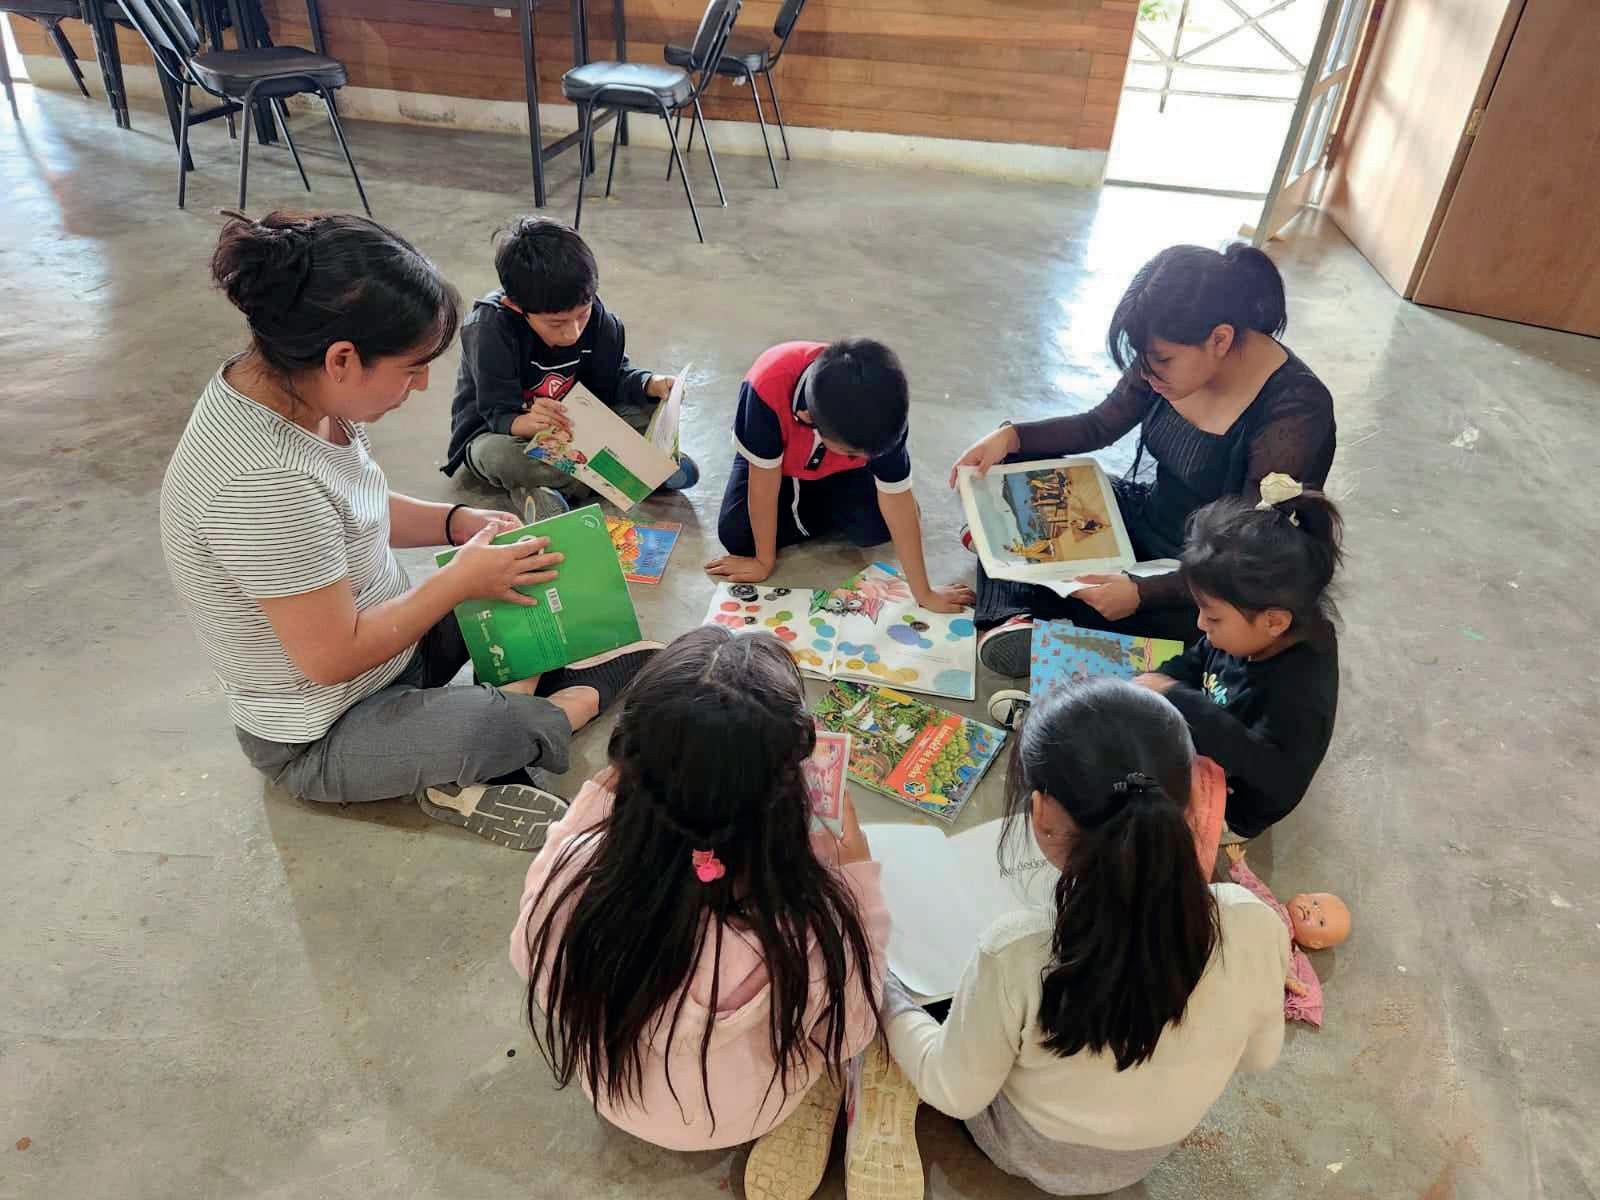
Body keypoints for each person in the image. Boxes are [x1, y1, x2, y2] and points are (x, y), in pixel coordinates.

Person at [160, 211, 654, 850]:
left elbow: (356, 501)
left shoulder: (300, 391)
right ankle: (558, 706)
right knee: (502, 723)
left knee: (525, 568)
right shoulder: (260, 483)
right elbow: (330, 659)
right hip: (325, 729)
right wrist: (457, 585)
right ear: (343, 359)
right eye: (412, 367)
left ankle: (498, 708)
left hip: (394, 648)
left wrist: (456, 522)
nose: (421, 386)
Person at [867, 680, 1289, 1196]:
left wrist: (883, 986)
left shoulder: (1017, 950)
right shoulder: (1254, 924)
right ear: (1193, 798)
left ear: (1043, 814)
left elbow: (953, 1091)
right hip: (1148, 1154)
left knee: (923, 1002)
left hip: (1023, 1146)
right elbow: (1261, 1057)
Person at [511, 627, 888, 1184]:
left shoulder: (575, 869)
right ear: (789, 799)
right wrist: (856, 871)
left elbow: (531, 961)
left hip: (615, 1095)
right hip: (753, 1111)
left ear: (628, 771)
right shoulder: (812, 918)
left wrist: (594, 801)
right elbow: (852, 1029)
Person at [949, 243, 1336, 675]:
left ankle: (1028, 592)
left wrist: (1141, 592)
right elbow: (1099, 425)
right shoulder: (1168, 354)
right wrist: (1011, 436)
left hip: (1211, 570)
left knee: (1211, 626)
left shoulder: (1295, 410)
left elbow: (1251, 552)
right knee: (1016, 470)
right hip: (1147, 517)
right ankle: (1015, 617)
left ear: (1220, 339)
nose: (1149, 376)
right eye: (1145, 360)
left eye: (1162, 361)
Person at [440, 216, 697, 522]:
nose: (573, 332)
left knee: (647, 411)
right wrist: (525, 422)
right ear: (515, 307)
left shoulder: (600, 320)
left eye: (582, 315)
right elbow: (496, 413)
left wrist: (649, 383)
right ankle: (639, 469)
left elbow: (614, 378)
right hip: (501, 434)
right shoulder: (489, 329)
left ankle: (545, 491)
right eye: (556, 323)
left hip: (577, 430)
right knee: (502, 458)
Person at [1135, 476, 1343, 842]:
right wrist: (1160, 679)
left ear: (1274, 622)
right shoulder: (1244, 632)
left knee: (1122, 803)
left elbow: (1273, 774)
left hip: (1234, 805)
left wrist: (1178, 699)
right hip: (1208, 745)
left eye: (1213, 618)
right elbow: (1198, 659)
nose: (1201, 625)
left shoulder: (1301, 693)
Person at [708, 337, 974, 614]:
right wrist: (764, 562)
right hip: (776, 467)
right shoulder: (767, 387)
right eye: (851, 452)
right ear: (810, 418)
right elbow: (763, 486)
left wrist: (924, 593)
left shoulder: (885, 416)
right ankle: (818, 509)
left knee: (881, 527)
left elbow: (896, 497)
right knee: (739, 536)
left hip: (842, 473)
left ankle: (809, 510)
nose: (865, 457)